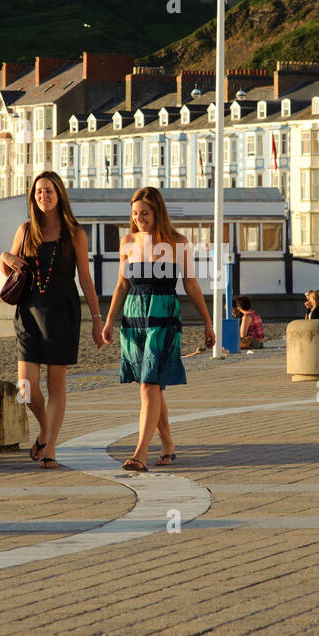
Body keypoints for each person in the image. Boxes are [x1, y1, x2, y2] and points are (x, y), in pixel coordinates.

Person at [102, 187, 215, 472]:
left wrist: (207, 321)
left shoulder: (177, 243)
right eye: (135, 213)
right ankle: (168, 444)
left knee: (149, 384)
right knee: (151, 384)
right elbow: (122, 285)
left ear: (157, 213)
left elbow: (190, 284)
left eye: (145, 213)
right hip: (133, 316)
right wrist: (108, 321)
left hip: (163, 314)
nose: (139, 218)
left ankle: (140, 452)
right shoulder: (128, 242)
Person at [0, 171, 104, 469]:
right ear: (33, 197)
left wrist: (97, 320)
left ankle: (51, 447)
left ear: (59, 194)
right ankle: (46, 429)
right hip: (29, 312)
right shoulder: (25, 229)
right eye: (38, 192)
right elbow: (8, 272)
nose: (43, 196)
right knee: (26, 387)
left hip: (62, 311)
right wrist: (6, 256)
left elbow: (85, 277)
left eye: (48, 191)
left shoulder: (74, 233)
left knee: (56, 383)